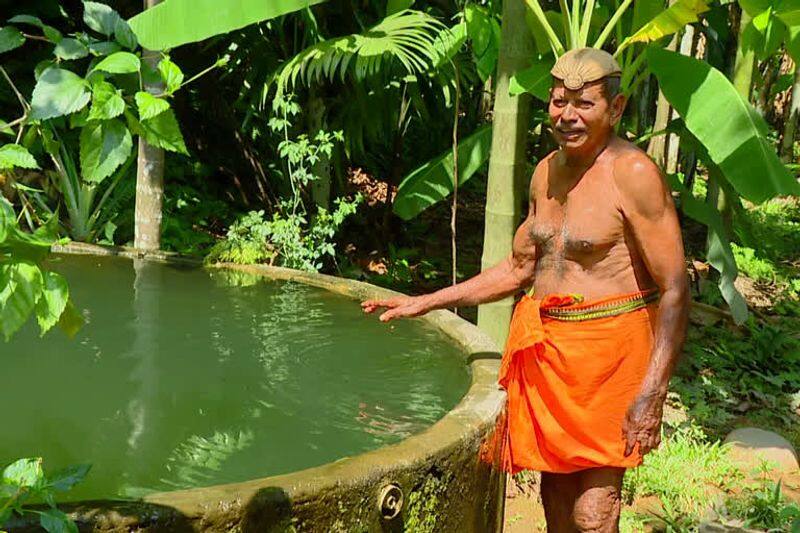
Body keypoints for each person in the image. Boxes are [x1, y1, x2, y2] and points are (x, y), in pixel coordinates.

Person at [362, 47, 689, 531]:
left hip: (611, 363)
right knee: (555, 498)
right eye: (559, 102)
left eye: (584, 105)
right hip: (550, 359)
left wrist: (653, 391)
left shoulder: (633, 173)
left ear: (615, 109)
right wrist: (425, 301)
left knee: (594, 514)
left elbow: (676, 288)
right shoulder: (545, 173)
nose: (567, 116)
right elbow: (518, 270)